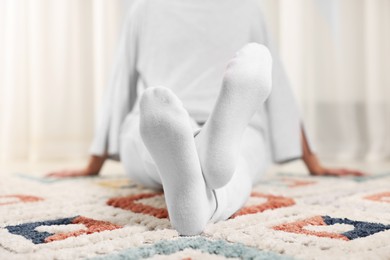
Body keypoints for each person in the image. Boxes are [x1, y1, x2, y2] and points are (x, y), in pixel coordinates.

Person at [48, 0, 365, 235]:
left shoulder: (144, 8)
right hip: (242, 126)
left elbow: (120, 86)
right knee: (239, 160)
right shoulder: (247, 8)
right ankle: (208, 196)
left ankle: (189, 177)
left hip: (157, 113)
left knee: (147, 142)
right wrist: (313, 161)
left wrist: (93, 163)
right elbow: (277, 87)